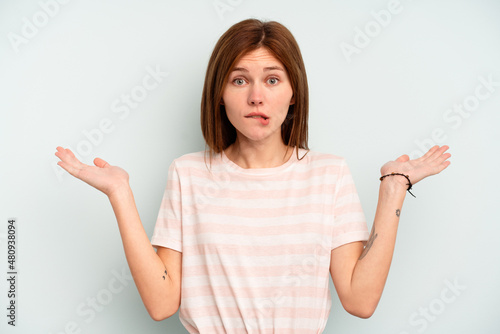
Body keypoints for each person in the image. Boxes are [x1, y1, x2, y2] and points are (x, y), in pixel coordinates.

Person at [55, 18, 451, 333]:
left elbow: (360, 301)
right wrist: (120, 193)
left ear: (293, 93)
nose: (256, 96)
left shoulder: (328, 174)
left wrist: (394, 187)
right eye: (239, 80)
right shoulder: (189, 174)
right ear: (220, 93)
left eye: (272, 80)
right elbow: (161, 303)